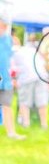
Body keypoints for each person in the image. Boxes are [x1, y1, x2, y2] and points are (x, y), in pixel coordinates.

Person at [11, 33, 49, 130]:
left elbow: (12, 70)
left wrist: (14, 81)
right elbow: (43, 63)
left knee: (24, 101)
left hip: (26, 78)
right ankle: (44, 125)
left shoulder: (12, 52)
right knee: (42, 101)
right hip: (41, 75)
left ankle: (26, 124)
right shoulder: (30, 49)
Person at [0, 11, 26, 139]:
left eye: (4, 26)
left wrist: (14, 77)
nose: (3, 28)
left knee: (7, 106)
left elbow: (11, 60)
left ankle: (11, 133)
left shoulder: (8, 40)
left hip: (6, 80)